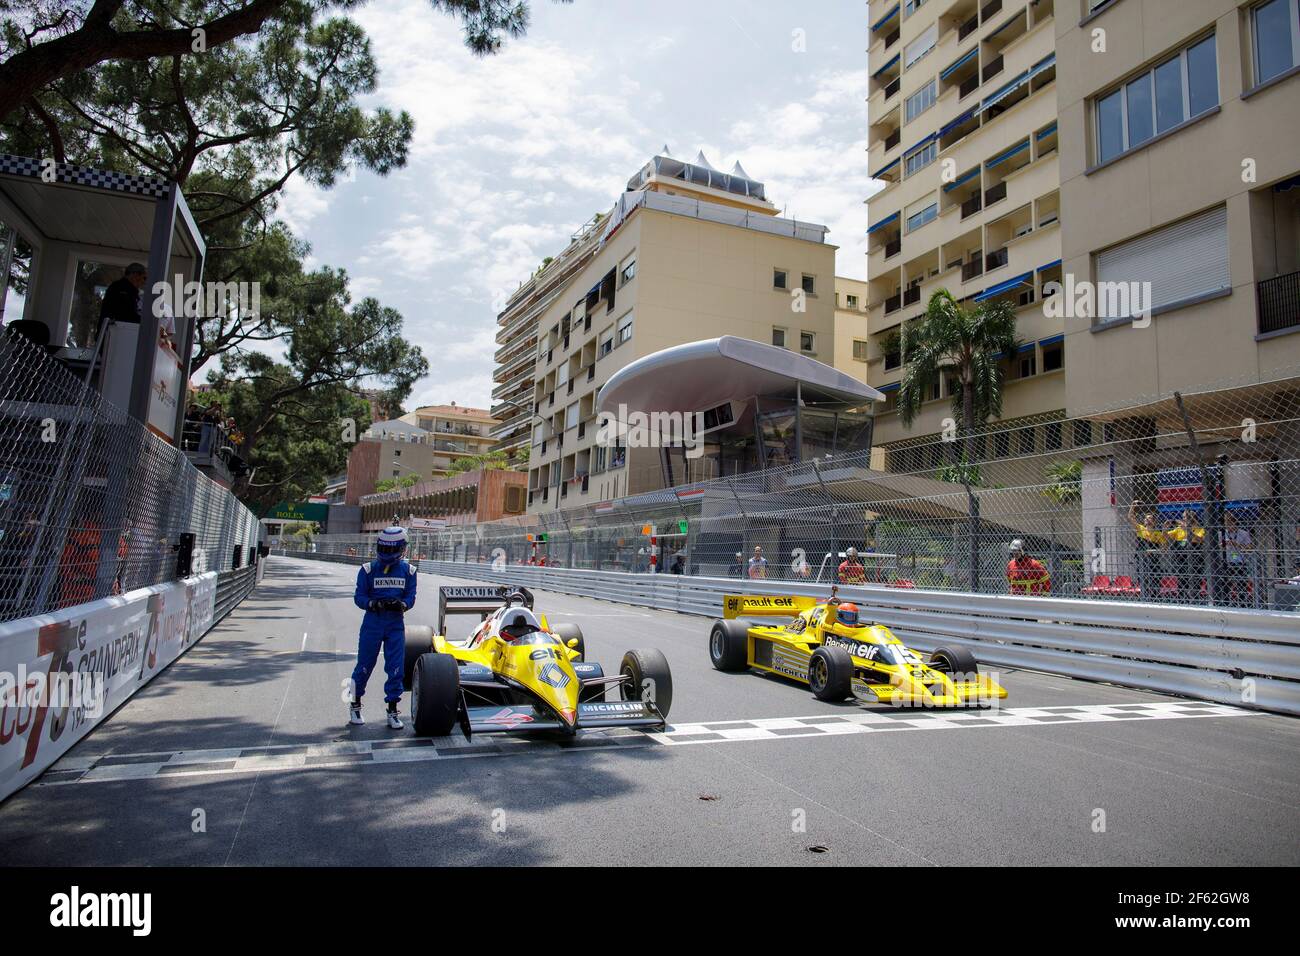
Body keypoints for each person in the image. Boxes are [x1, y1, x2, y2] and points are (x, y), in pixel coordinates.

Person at [350, 526, 417, 729]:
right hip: (373, 622)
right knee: (363, 666)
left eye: (391, 549)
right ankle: (354, 705)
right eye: (384, 548)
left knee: (396, 668)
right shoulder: (367, 570)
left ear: (402, 549)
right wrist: (373, 604)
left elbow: (410, 597)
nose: (387, 553)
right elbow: (359, 597)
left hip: (395, 623)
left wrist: (402, 605)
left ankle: (392, 710)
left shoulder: (410, 571)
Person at [1127, 500, 1167, 600]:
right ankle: (1144, 597)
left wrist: (1153, 551)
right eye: (1146, 518)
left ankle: (1155, 597)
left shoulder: (1158, 534)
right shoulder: (1141, 529)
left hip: (1154, 560)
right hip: (1142, 560)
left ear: (1154, 522)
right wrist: (1132, 506)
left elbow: (1164, 548)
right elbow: (1130, 518)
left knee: (1155, 579)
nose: (1148, 520)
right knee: (1143, 578)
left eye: (1150, 519)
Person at [99, 262, 146, 327]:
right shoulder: (120, 289)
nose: (144, 282)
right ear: (135, 275)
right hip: (113, 332)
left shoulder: (119, 287)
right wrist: (146, 321)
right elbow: (125, 314)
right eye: (144, 278)